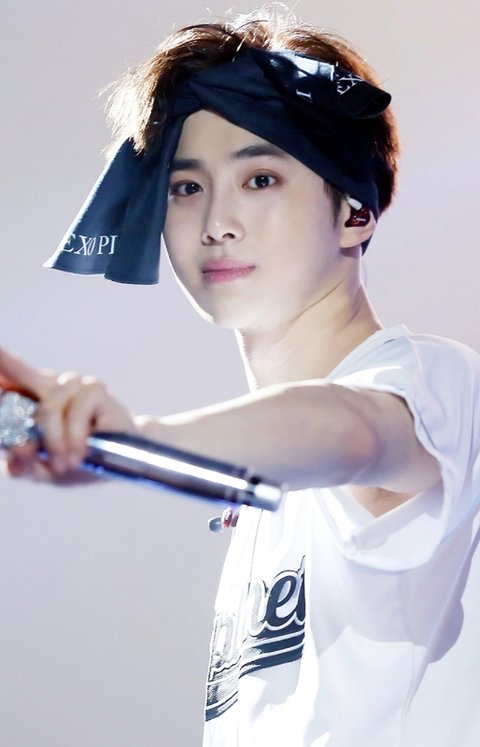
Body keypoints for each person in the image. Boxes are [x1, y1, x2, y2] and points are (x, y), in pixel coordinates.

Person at [1, 5, 480, 746]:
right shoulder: (264, 492)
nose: (216, 222)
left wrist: (142, 440)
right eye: (186, 188)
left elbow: (351, 429)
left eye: (260, 178)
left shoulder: (430, 380)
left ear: (355, 212)